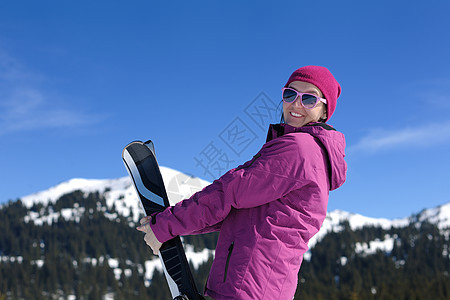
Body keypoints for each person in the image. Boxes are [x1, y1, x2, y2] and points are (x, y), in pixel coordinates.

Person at [137, 65, 347, 299]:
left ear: (324, 111)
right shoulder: (304, 153)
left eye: (309, 99)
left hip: (247, 288)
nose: (296, 104)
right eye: (290, 94)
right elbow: (234, 211)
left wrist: (165, 225)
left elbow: (228, 193)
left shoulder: (300, 150)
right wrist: (169, 227)